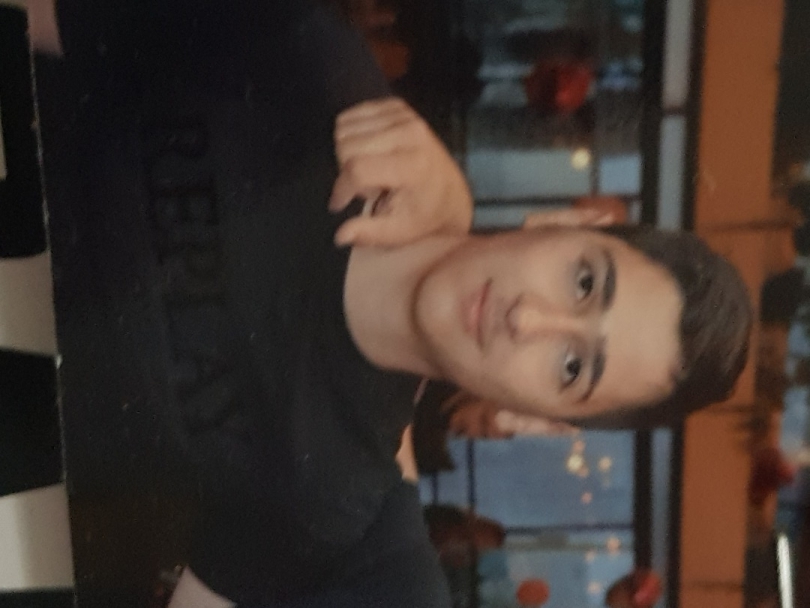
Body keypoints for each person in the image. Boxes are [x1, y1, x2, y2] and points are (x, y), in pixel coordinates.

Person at [22, 1, 752, 607]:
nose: (529, 319)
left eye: (571, 366)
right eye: (584, 282)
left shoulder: (326, 499)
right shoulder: (314, 74)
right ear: (562, 221)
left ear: (541, 418)